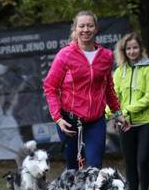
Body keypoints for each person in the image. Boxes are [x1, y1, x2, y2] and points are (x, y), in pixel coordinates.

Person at [43, 10, 130, 170]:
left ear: (96, 29)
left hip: (95, 121)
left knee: (95, 166)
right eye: (81, 26)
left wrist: (117, 113)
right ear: (75, 30)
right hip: (69, 121)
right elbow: (50, 87)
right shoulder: (65, 55)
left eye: (90, 25)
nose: (86, 29)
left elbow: (108, 88)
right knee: (73, 168)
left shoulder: (106, 56)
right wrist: (58, 118)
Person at [113, 32, 149, 190]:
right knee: (130, 160)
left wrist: (124, 111)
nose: (132, 51)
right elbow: (113, 96)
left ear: (141, 49)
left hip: (147, 121)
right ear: (124, 51)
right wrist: (112, 113)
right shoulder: (119, 71)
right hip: (124, 122)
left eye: (135, 48)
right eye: (129, 48)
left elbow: (148, 98)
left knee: (142, 158)